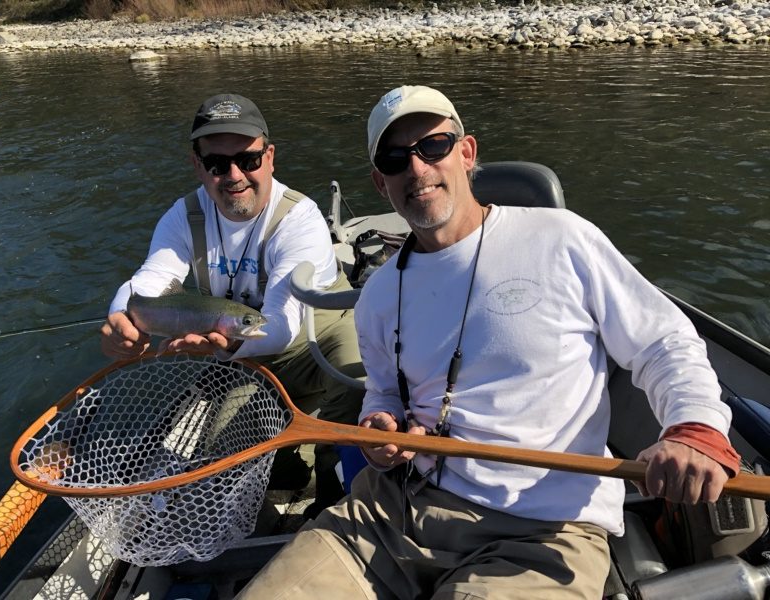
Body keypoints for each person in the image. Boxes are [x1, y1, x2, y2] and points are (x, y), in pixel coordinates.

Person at [234, 85, 741, 599]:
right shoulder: (378, 296)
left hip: (542, 531)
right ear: (379, 182)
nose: (416, 167)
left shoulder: (562, 238)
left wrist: (694, 428)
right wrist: (380, 430)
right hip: (388, 515)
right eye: (394, 158)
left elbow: (664, 341)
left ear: (467, 152)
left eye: (433, 146)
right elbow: (383, 397)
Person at [101, 93, 364, 512]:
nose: (235, 175)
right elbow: (149, 280)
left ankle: (336, 498)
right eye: (218, 165)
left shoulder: (300, 218)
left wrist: (229, 344)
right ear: (198, 166)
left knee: (358, 379)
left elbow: (282, 322)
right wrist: (121, 319)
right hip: (244, 356)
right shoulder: (182, 217)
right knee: (225, 447)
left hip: (315, 342)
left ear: (270, 156)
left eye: (248, 159)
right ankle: (293, 464)